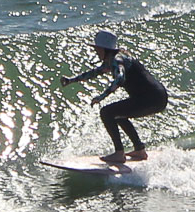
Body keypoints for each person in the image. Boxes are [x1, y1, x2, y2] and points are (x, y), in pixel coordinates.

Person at [58, 29, 167, 164]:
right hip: (157, 97)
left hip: (151, 98)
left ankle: (119, 153)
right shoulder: (115, 59)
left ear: (105, 49)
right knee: (118, 115)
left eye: (97, 48)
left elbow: (120, 78)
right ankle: (139, 150)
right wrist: (71, 80)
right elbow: (95, 73)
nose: (96, 51)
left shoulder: (117, 60)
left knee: (106, 112)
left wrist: (102, 96)